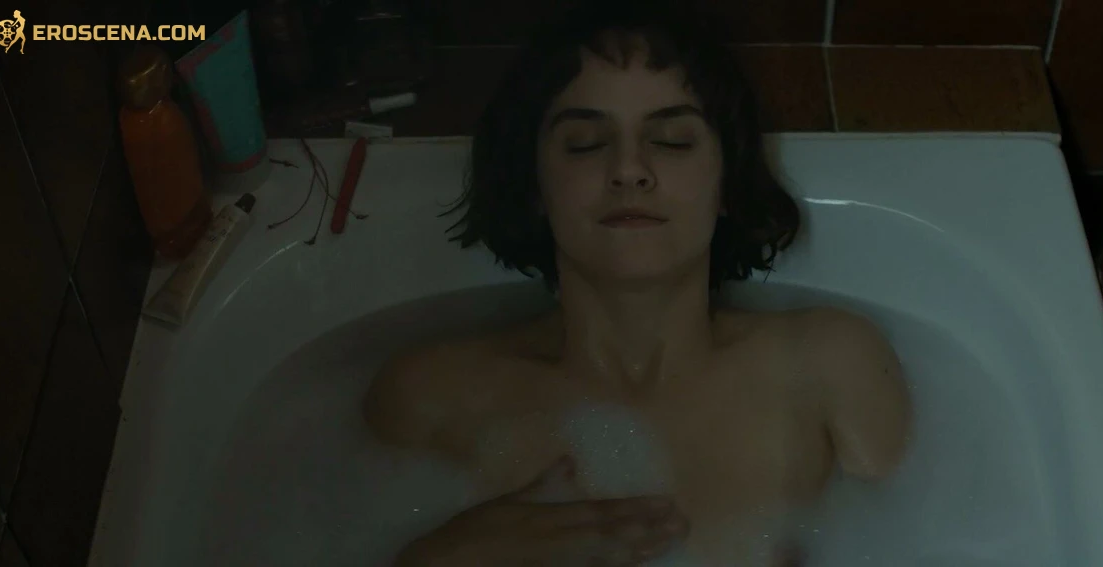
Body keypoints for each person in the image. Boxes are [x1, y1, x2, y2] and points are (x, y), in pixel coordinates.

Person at [364, 1, 911, 565]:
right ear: (533, 187)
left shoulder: (830, 368)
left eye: (672, 140)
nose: (629, 169)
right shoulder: (429, 397)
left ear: (727, 182)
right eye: (585, 143)